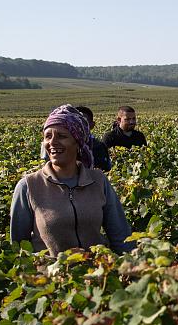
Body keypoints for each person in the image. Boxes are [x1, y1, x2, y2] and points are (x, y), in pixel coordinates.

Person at [11, 104, 134, 255]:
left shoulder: (98, 181)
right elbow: (19, 249)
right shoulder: (28, 186)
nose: (53, 142)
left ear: (78, 142)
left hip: (97, 274)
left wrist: (131, 268)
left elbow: (121, 237)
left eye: (62, 136)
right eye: (48, 136)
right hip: (50, 276)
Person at [75, 106, 112, 172]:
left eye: (84, 123)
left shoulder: (99, 147)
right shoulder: (61, 146)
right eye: (75, 123)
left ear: (92, 125)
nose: (79, 127)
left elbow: (106, 170)